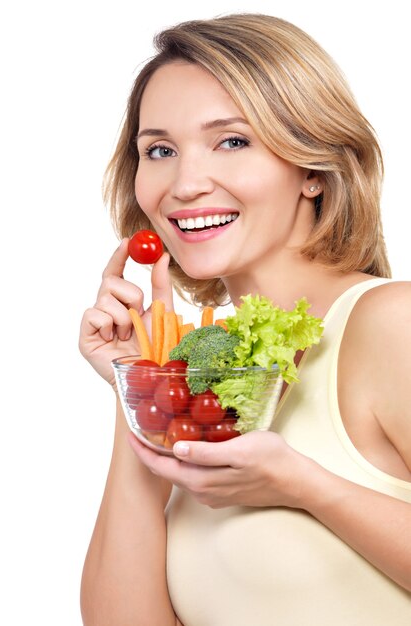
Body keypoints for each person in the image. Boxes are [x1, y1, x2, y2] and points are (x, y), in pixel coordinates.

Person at [78, 13, 411, 626]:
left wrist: (306, 487)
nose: (185, 183)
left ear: (312, 167)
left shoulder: (391, 324)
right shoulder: (203, 377)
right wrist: (142, 386)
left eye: (232, 141)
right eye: (160, 151)